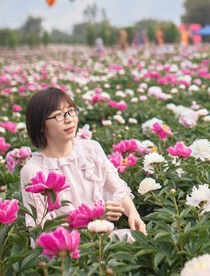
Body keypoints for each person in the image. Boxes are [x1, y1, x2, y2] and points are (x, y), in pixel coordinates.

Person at [20, 87, 146, 238]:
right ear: (40, 125)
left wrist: (133, 214)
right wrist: (94, 217)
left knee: (138, 239)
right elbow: (42, 229)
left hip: (99, 240)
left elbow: (116, 189)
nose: (69, 119)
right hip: (63, 251)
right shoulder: (33, 170)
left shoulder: (91, 149)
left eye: (71, 111)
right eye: (59, 115)